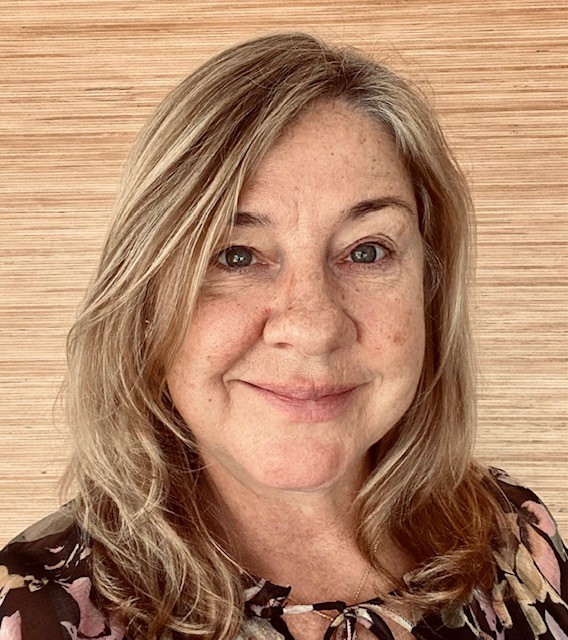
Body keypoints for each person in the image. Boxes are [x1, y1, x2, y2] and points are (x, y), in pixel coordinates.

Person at [0, 30, 566, 640]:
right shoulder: (40, 612)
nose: (313, 327)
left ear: (429, 286)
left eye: (368, 251)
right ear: (145, 298)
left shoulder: (512, 532)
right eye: (236, 256)